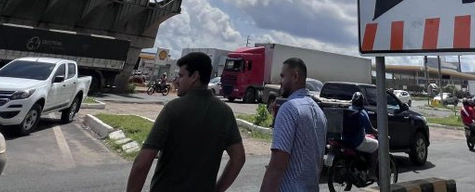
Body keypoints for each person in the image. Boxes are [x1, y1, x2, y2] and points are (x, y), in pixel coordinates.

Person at [126, 52, 245, 192]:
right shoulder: (225, 112)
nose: (176, 81)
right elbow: (239, 158)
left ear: (194, 77)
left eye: (181, 76)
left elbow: (142, 163)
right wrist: (217, 190)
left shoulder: (173, 109)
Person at [260, 57, 327, 192]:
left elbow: (277, 166)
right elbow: (319, 164)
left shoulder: (289, 108)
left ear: (295, 76)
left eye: (283, 76)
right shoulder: (320, 114)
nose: (280, 81)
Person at [342, 92, 378, 171]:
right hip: (357, 142)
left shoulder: (347, 109)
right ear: (362, 102)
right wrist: (378, 131)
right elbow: (369, 129)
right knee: (376, 145)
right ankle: (372, 172)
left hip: (344, 140)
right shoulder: (362, 113)